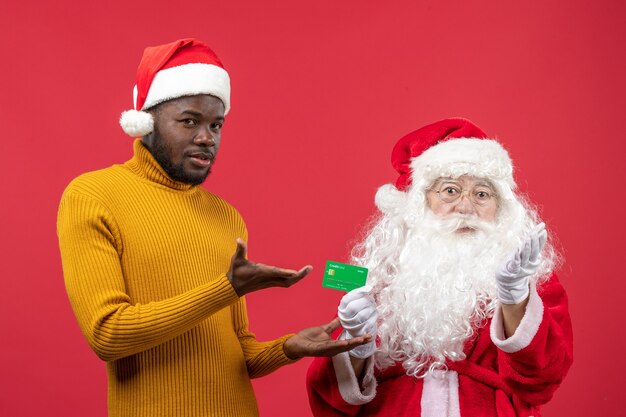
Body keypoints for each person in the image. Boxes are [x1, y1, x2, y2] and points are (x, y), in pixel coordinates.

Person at [57, 38, 370, 417]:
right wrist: (227, 288)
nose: (207, 137)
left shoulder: (226, 217)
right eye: (189, 121)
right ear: (146, 121)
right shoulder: (93, 195)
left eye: (216, 124)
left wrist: (289, 347)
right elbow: (108, 334)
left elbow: (238, 353)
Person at [306, 118, 573, 417]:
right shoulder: (380, 277)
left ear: (501, 207)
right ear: (420, 202)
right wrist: (356, 347)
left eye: (481, 194)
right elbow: (328, 397)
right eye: (450, 190)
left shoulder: (527, 278)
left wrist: (515, 300)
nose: (465, 207)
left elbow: (544, 381)